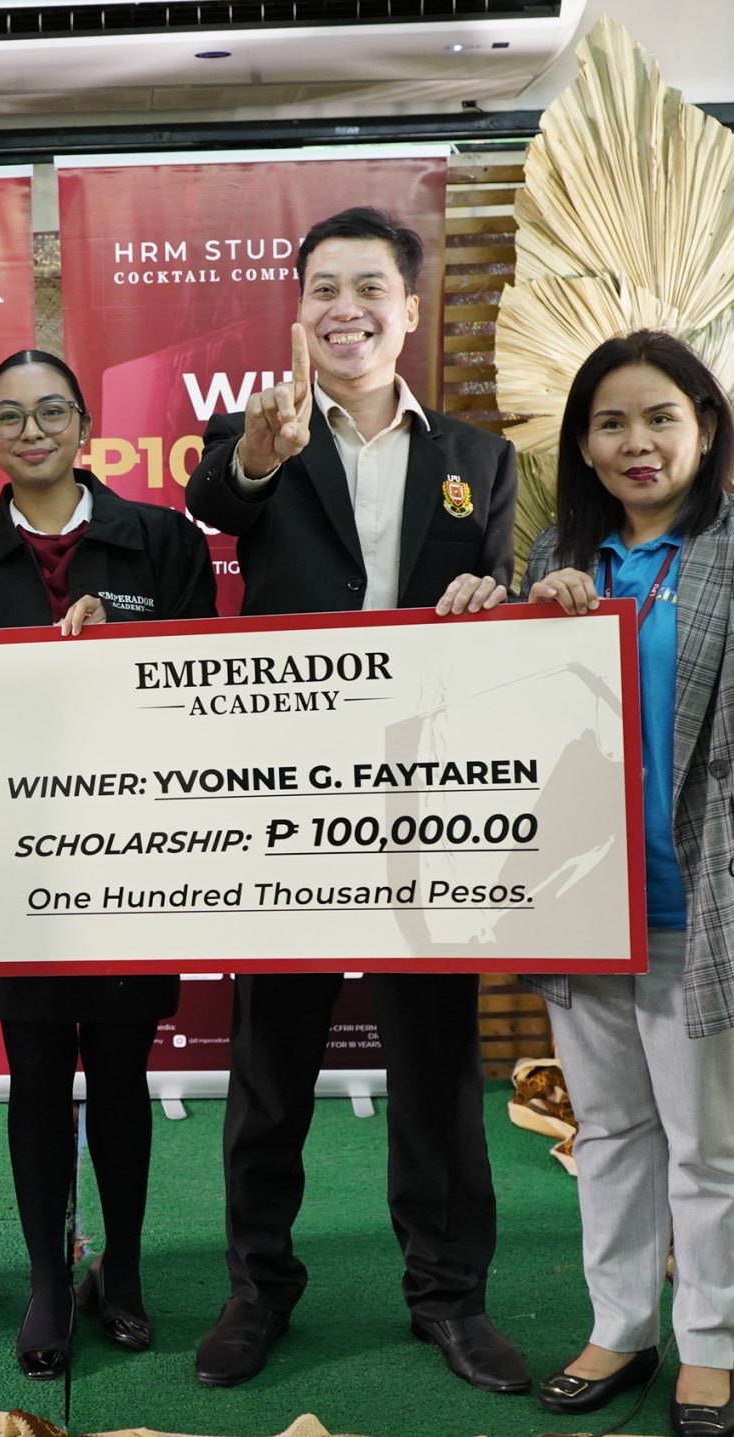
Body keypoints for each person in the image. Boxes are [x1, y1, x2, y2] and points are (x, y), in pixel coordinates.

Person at [184, 206, 527, 1394]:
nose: (347, 308)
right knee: (269, 1061)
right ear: (299, 312)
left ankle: (449, 1298)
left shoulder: (479, 458)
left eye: (370, 287)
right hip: (290, 798)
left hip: (429, 798)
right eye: (324, 288)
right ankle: (256, 1290)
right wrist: (260, 455)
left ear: (410, 310)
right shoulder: (260, 431)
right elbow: (220, 503)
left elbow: (507, 598)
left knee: (436, 1064)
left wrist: (495, 596)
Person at [0, 348, 216, 1379]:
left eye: (52, 411)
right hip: (14, 861)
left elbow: (201, 683)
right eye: (9, 416)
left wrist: (118, 632)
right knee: (36, 1072)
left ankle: (119, 1270)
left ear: (85, 427)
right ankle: (49, 1278)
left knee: (124, 1070)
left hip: (133, 851)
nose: (32, 429)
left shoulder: (162, 539)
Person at [517, 330, 734, 1437]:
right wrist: (506, 619)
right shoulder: (559, 555)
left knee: (707, 1144)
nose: (636, 442)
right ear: (583, 445)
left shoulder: (729, 550)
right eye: (610, 423)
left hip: (703, 896)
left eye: (659, 417)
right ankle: (620, 1327)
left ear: (705, 425)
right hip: (586, 899)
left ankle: (713, 1344)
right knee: (606, 1132)